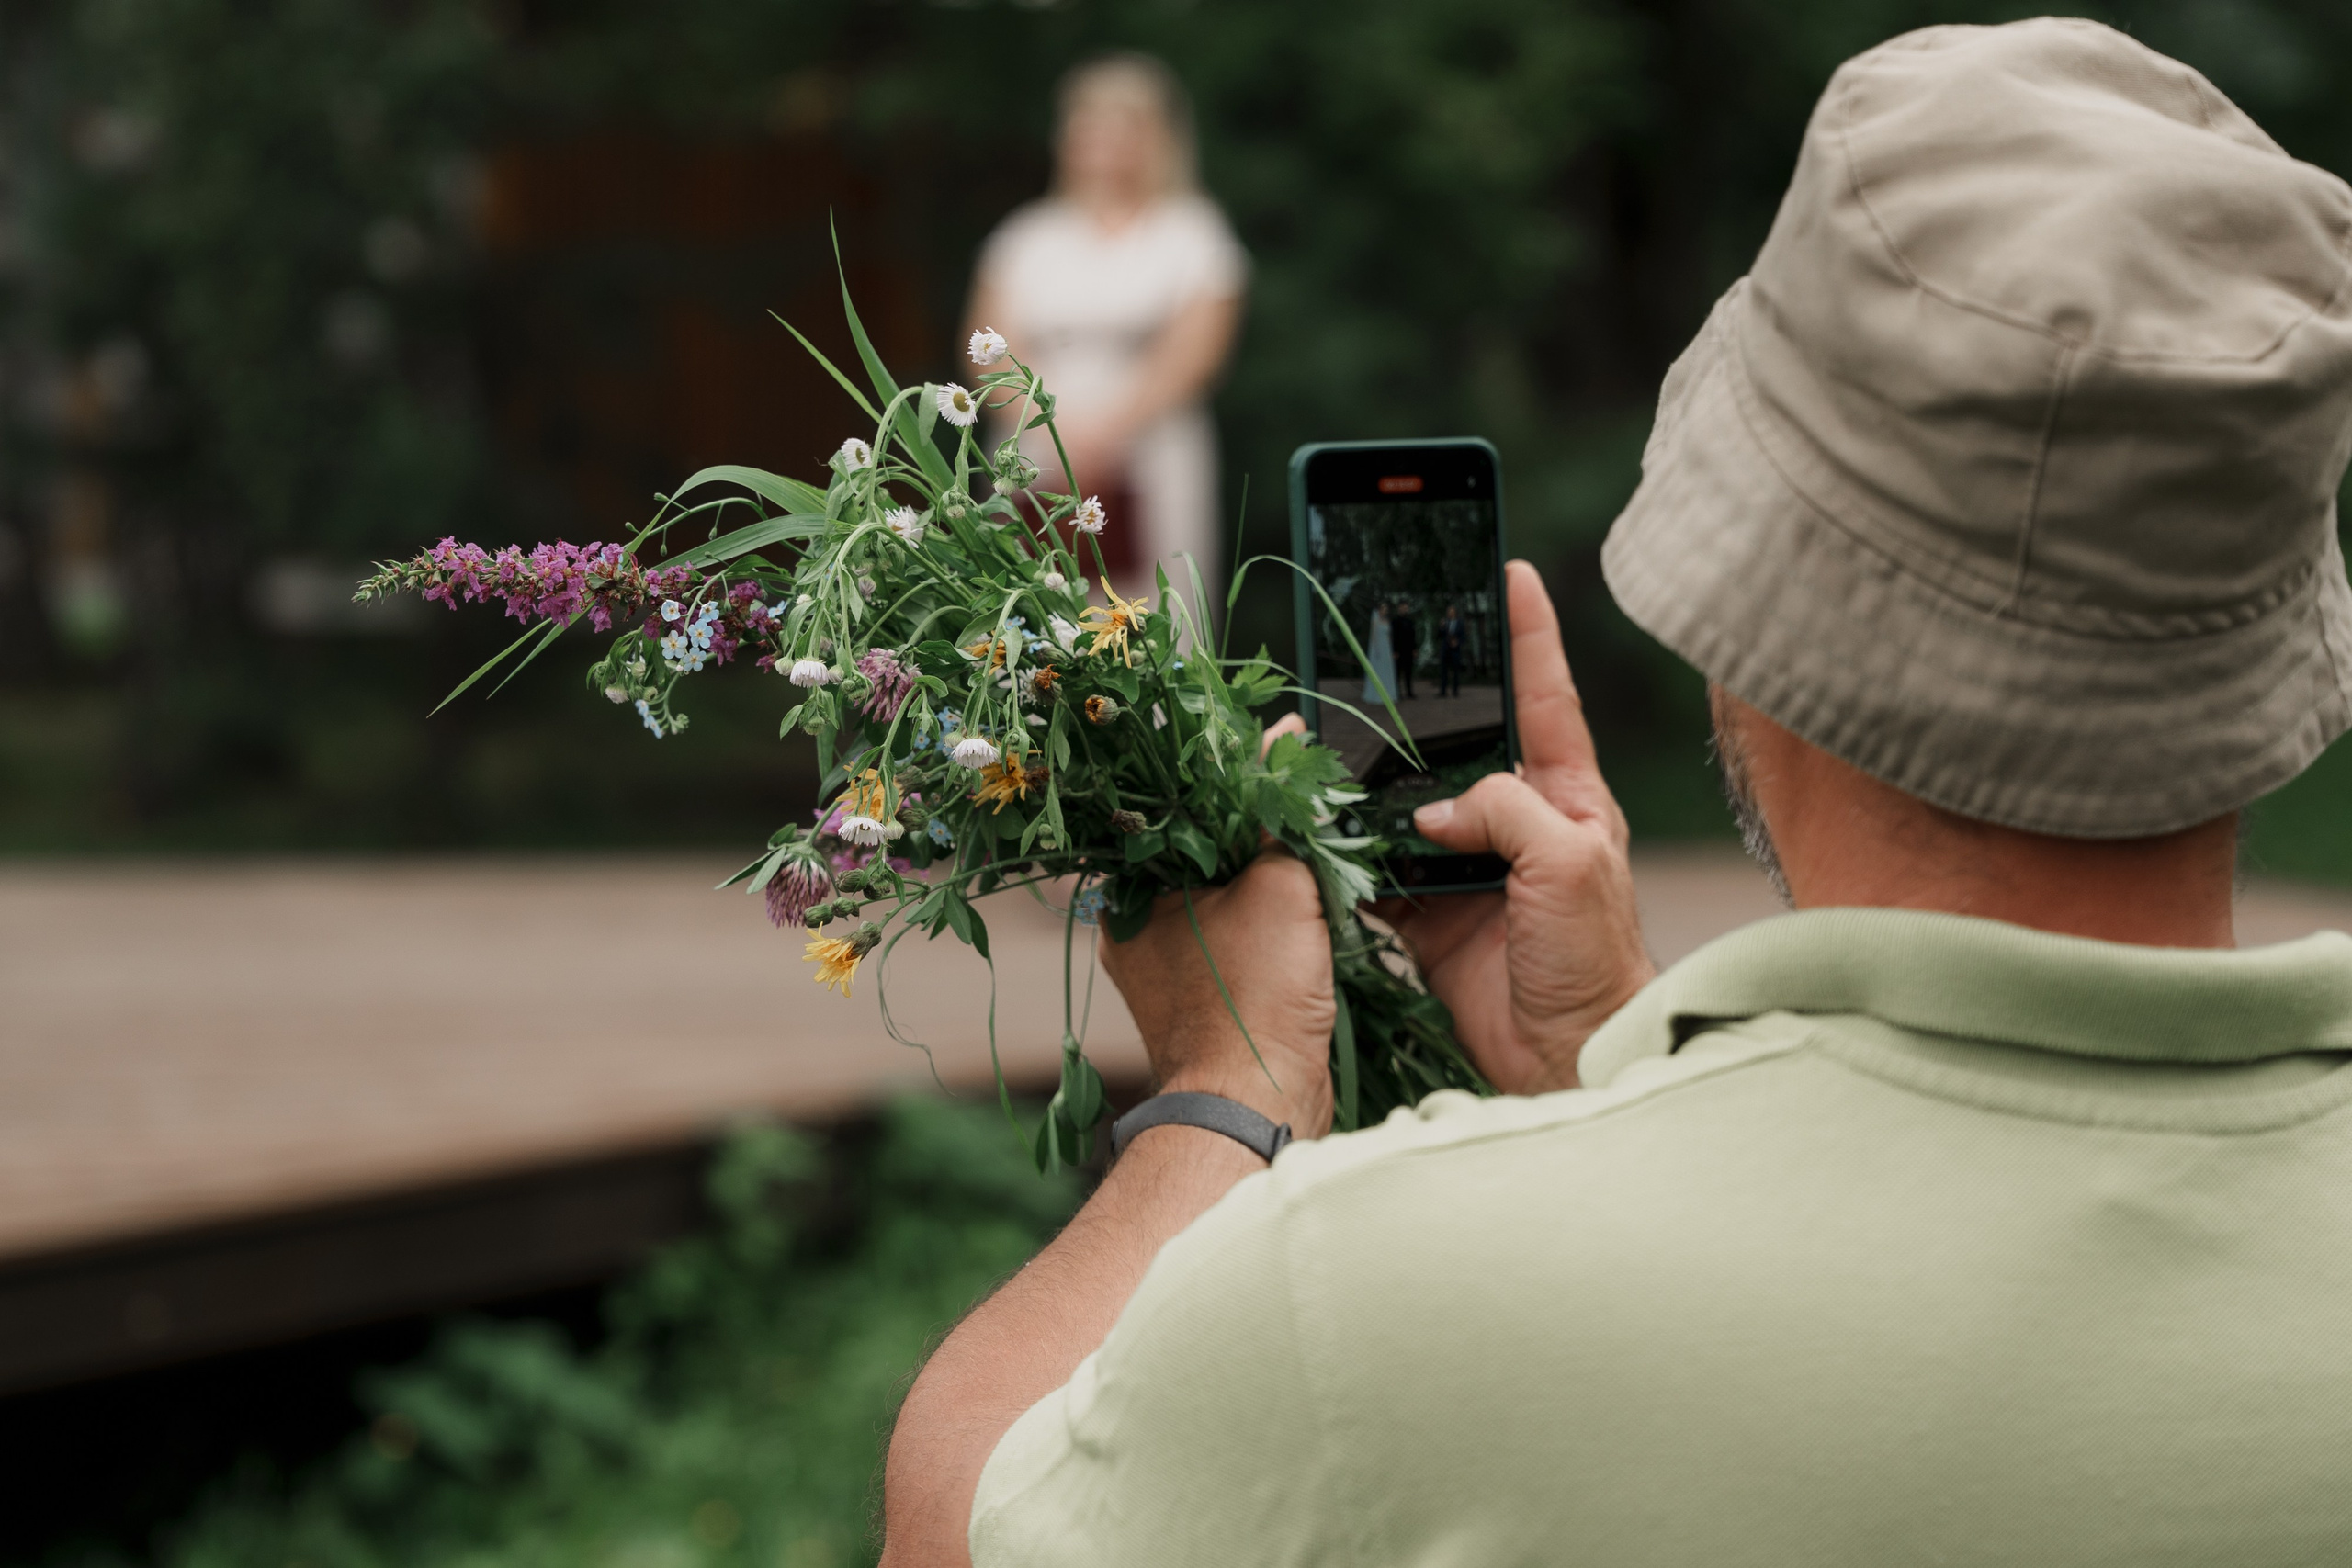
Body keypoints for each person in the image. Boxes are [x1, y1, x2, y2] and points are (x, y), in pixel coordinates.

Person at [882, 21, 2352, 1566]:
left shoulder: (1364, 1301)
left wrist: (1221, 1092)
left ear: (1751, 618)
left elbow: (950, 1535)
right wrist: (1619, 1071)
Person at [963, 53, 1247, 610]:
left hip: (1153, 454)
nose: (1102, 141)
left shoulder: (1192, 232)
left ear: (1158, 137)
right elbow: (986, 349)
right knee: (1030, 622)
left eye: (1123, 126)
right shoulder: (1024, 239)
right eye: (1088, 123)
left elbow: (1197, 348)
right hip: (1035, 452)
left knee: (1159, 618)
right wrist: (1055, 432)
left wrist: (1105, 433)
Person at [1361, 600, 1396, 705]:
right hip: (1379, 647)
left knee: (1387, 670)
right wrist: (1376, 650)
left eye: (1386, 609)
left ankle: (1389, 693)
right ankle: (1377, 694)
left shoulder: (1387, 621)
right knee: (1379, 670)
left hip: (1387, 648)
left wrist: (1390, 650)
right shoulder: (1375, 621)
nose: (1385, 611)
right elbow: (1374, 636)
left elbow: (1389, 636)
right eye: (1383, 609)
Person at [1436, 600, 1465, 697]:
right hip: (1446, 650)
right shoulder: (1445, 622)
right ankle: (1443, 691)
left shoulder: (1460, 623)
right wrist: (1441, 627)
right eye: (1449, 611)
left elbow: (1463, 636)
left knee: (1455, 671)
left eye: (1452, 611)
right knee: (1444, 671)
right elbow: (1439, 636)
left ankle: (1455, 691)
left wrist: (1457, 642)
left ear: (1455, 612)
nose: (1450, 613)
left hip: (1455, 650)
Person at [1390, 598, 1418, 698]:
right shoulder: (1395, 622)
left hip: (1409, 651)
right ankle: (1397, 692)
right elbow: (1394, 637)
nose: (1405, 609)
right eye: (1403, 608)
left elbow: (1413, 636)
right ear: (1399, 608)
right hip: (1399, 651)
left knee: (1408, 673)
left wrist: (1414, 649)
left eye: (1406, 608)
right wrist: (1395, 651)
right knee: (1398, 673)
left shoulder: (1410, 621)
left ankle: (1409, 692)